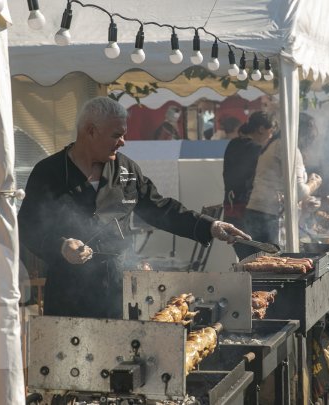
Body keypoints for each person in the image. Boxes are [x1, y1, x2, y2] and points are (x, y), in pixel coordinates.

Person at [18, 97, 249, 319]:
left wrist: (209, 226)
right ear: (90, 131)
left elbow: (160, 208)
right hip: (69, 295)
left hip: (121, 290)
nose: (123, 142)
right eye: (116, 135)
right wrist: (60, 245)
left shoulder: (126, 169)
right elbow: (27, 226)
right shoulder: (49, 172)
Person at [241, 112, 322, 258]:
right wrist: (314, 183)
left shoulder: (276, 144)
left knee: (259, 267)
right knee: (270, 268)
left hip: (258, 212)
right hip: (267, 216)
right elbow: (298, 191)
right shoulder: (288, 148)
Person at [222, 112, 274, 258]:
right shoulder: (255, 150)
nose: (271, 136)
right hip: (247, 214)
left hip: (231, 213)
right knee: (259, 262)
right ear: (262, 129)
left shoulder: (234, 144)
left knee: (248, 262)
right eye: (271, 131)